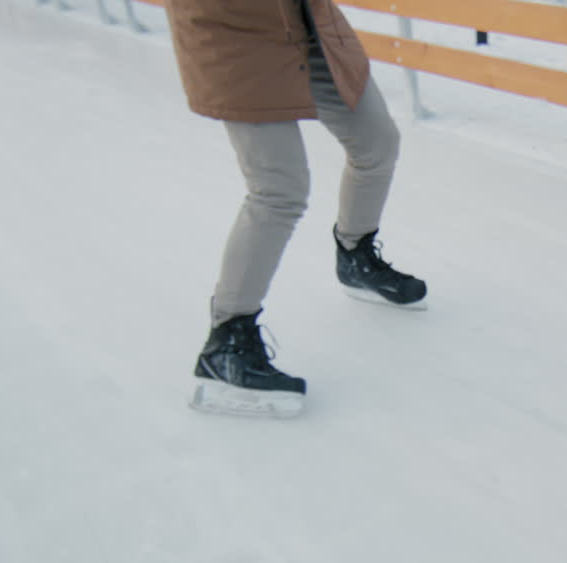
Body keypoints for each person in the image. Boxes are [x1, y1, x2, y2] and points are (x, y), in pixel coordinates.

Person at [164, 0, 427, 418]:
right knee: (278, 190)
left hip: (307, 19)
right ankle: (226, 343)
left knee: (377, 143)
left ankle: (355, 254)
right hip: (234, 35)